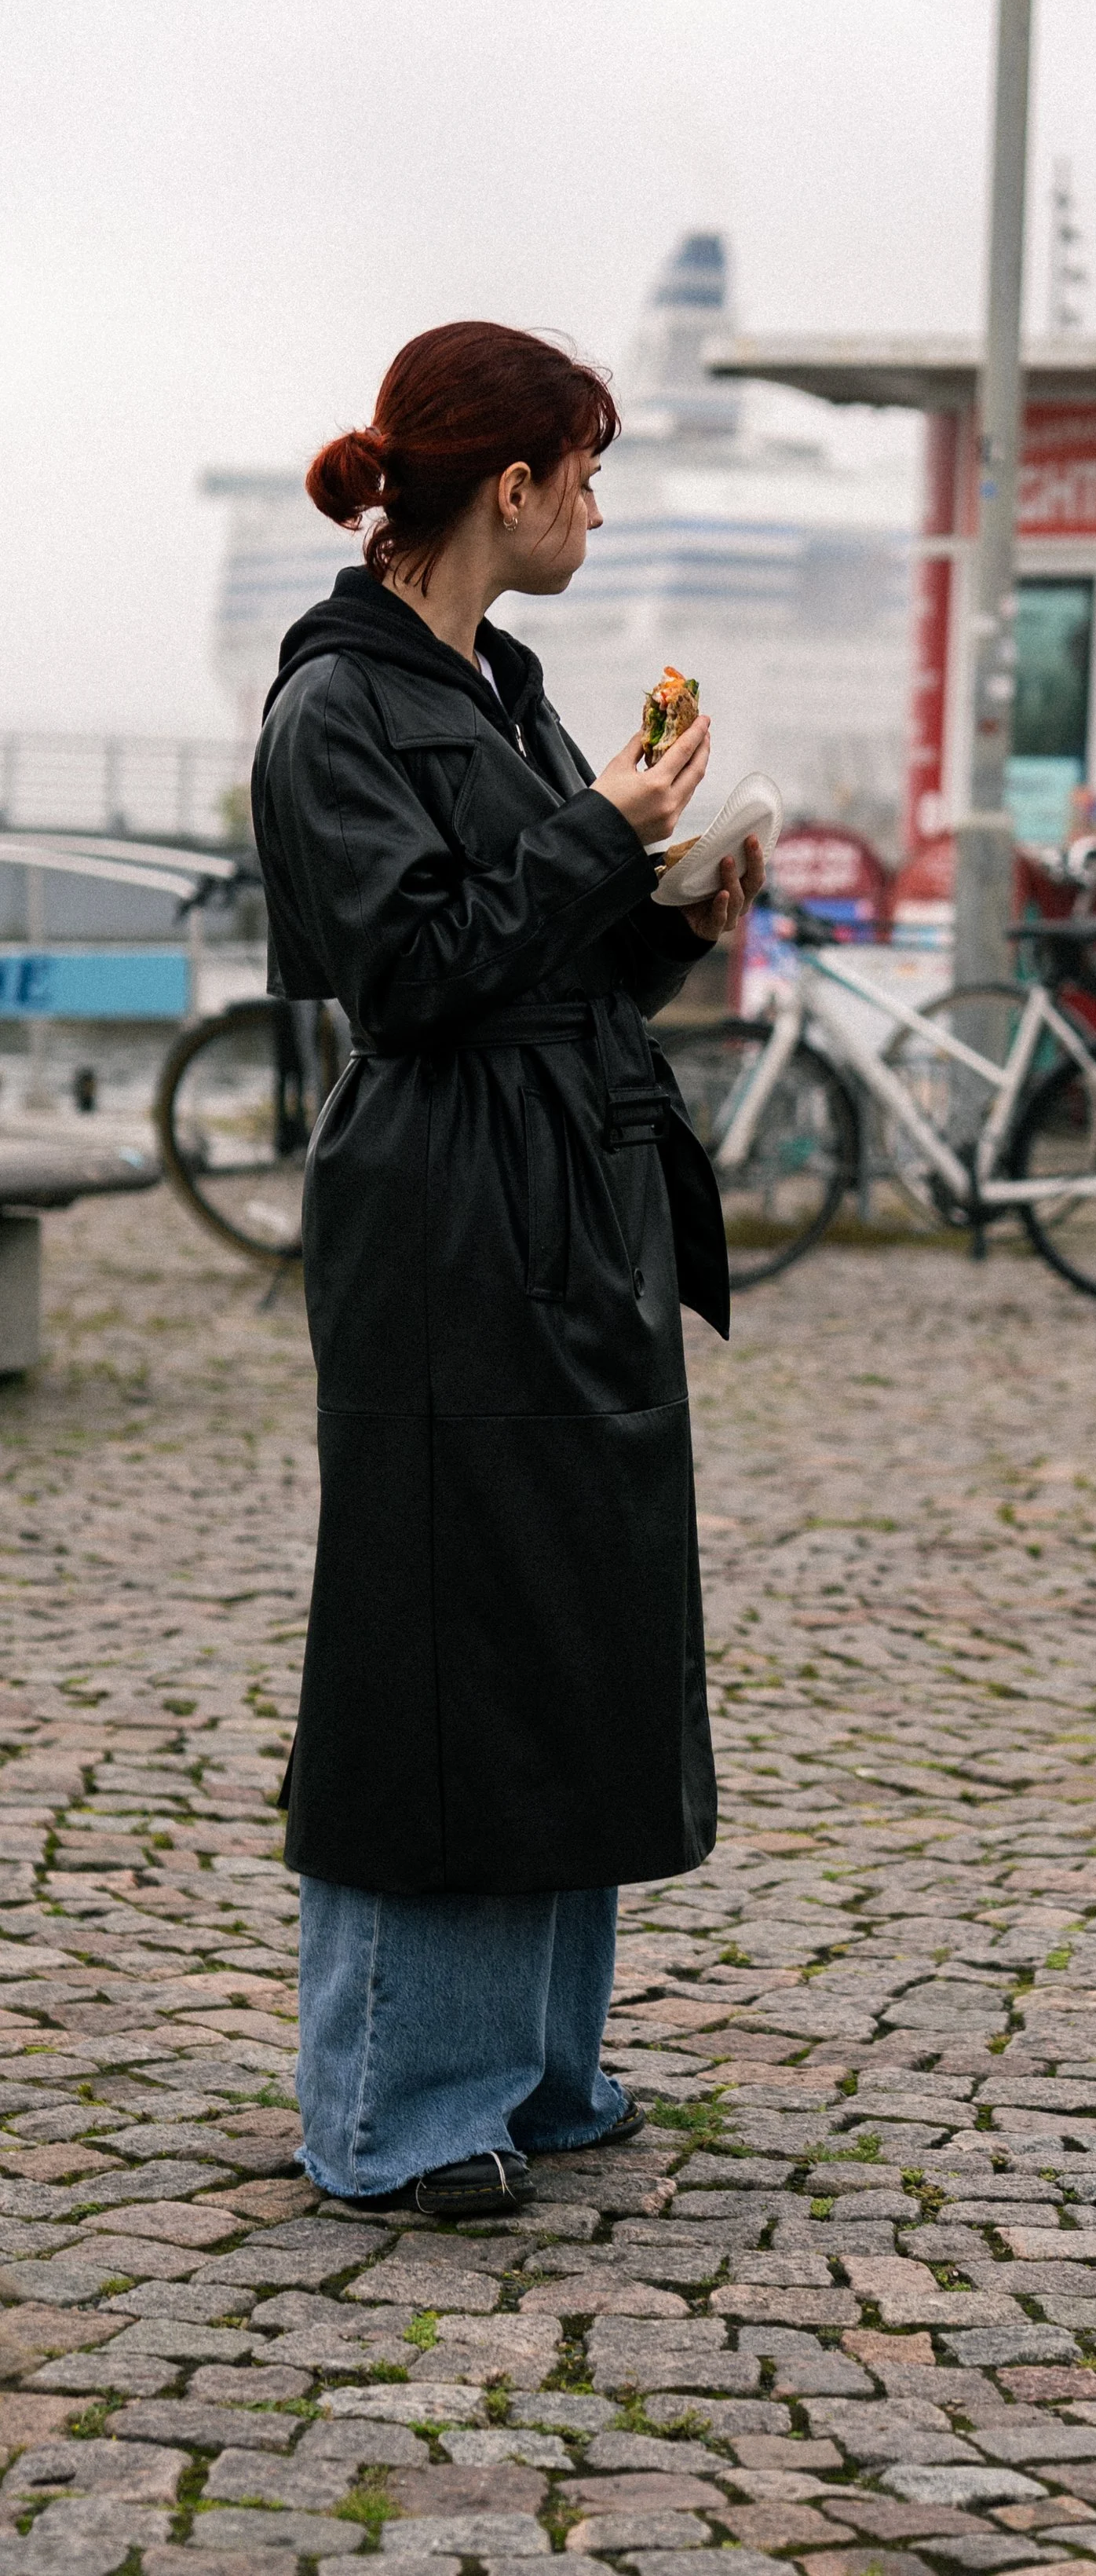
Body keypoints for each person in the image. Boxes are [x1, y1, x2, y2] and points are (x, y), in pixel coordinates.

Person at [252, 320, 764, 2218]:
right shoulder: (339, 708)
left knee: (571, 1627)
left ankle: (539, 2073)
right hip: (449, 1207)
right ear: (512, 485)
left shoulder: (499, 685)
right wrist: (592, 833)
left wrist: (679, 899)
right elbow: (408, 978)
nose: (599, 506)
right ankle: (393, 2109)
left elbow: (548, 950)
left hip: (565, 1184)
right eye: (586, 470)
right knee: (444, 1637)